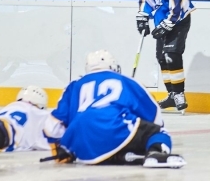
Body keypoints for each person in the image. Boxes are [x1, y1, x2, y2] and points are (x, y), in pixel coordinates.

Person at [43, 50, 185, 167]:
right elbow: (154, 115)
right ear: (113, 66)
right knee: (159, 132)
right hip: (113, 126)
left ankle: (119, 156)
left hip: (81, 145)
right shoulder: (125, 81)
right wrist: (151, 134)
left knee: (110, 143)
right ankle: (155, 154)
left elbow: (52, 126)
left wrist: (61, 149)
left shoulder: (73, 85)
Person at [137, 0, 194, 112]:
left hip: (178, 19)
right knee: (161, 57)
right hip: (161, 19)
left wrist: (170, 21)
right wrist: (143, 16)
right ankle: (171, 95)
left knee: (171, 55)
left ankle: (179, 94)